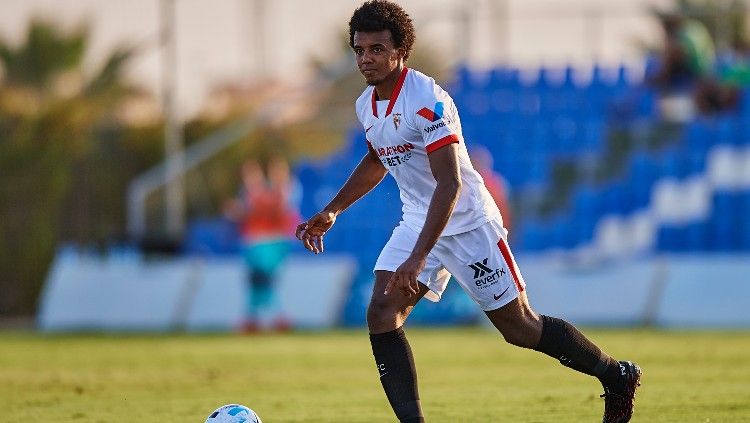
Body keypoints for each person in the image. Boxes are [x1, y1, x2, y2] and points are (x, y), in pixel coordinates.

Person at [296, 1, 641, 422]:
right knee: (382, 312)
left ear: (401, 50)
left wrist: (418, 256)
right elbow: (376, 159)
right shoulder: (366, 104)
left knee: (519, 328)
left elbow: (451, 183)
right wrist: (333, 210)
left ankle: (615, 375)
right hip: (419, 219)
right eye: (360, 49)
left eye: (377, 49)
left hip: (467, 223)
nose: (366, 58)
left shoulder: (428, 101)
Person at [227, 158, 300, 332]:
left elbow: (280, 212)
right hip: (254, 241)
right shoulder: (252, 194)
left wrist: (244, 211)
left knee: (263, 280)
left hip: (271, 241)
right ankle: (260, 319)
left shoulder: (285, 191)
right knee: (258, 281)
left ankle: (266, 318)